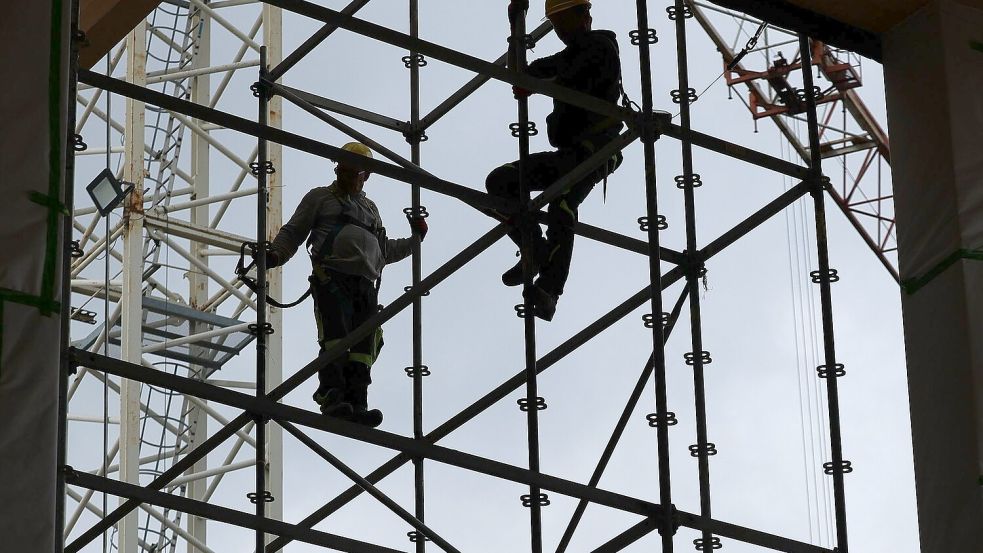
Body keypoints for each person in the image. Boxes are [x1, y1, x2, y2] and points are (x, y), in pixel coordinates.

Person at [261, 142, 428, 427]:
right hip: (332, 279)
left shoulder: (370, 209)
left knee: (364, 346)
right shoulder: (320, 198)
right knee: (336, 338)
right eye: (344, 170)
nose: (348, 176)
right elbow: (294, 231)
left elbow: (383, 250)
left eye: (354, 172)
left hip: (365, 285)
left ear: (366, 175)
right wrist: (275, 255)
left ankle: (357, 402)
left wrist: (415, 241)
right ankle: (333, 396)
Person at [486, 0, 625, 321]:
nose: (561, 31)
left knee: (561, 203)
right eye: (557, 25)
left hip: (597, 149)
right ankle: (534, 248)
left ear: (580, 17)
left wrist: (532, 84)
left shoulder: (600, 47)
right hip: (570, 154)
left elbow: (570, 83)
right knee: (500, 182)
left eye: (563, 22)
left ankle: (550, 289)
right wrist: (514, 28)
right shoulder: (569, 54)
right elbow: (521, 75)